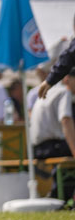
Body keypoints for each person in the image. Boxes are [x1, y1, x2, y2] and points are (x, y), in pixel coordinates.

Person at [29, 68, 75, 199]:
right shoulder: (64, 92)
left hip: (38, 148)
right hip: (50, 146)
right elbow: (66, 120)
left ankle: (58, 195)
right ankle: (61, 198)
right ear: (67, 79)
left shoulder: (50, 90)